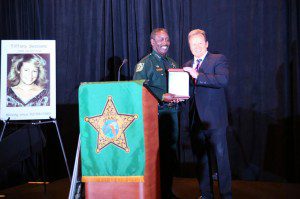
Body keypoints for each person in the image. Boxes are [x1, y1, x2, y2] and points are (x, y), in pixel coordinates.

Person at [183, 29, 232, 199]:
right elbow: (188, 91)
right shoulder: (188, 64)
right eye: (193, 44)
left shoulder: (218, 59)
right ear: (189, 47)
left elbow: (223, 80)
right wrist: (178, 96)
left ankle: (226, 195)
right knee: (202, 162)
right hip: (196, 121)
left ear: (206, 44)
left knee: (221, 161)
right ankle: (206, 194)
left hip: (215, 121)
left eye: (199, 43)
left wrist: (198, 75)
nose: (196, 46)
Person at [133, 28, 180, 198]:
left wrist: (179, 96)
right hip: (155, 116)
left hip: (172, 114)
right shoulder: (145, 64)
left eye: (167, 39)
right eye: (161, 39)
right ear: (152, 42)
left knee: (170, 155)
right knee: (155, 155)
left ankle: (167, 191)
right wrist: (161, 96)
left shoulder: (173, 63)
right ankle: (155, 192)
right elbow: (137, 87)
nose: (165, 42)